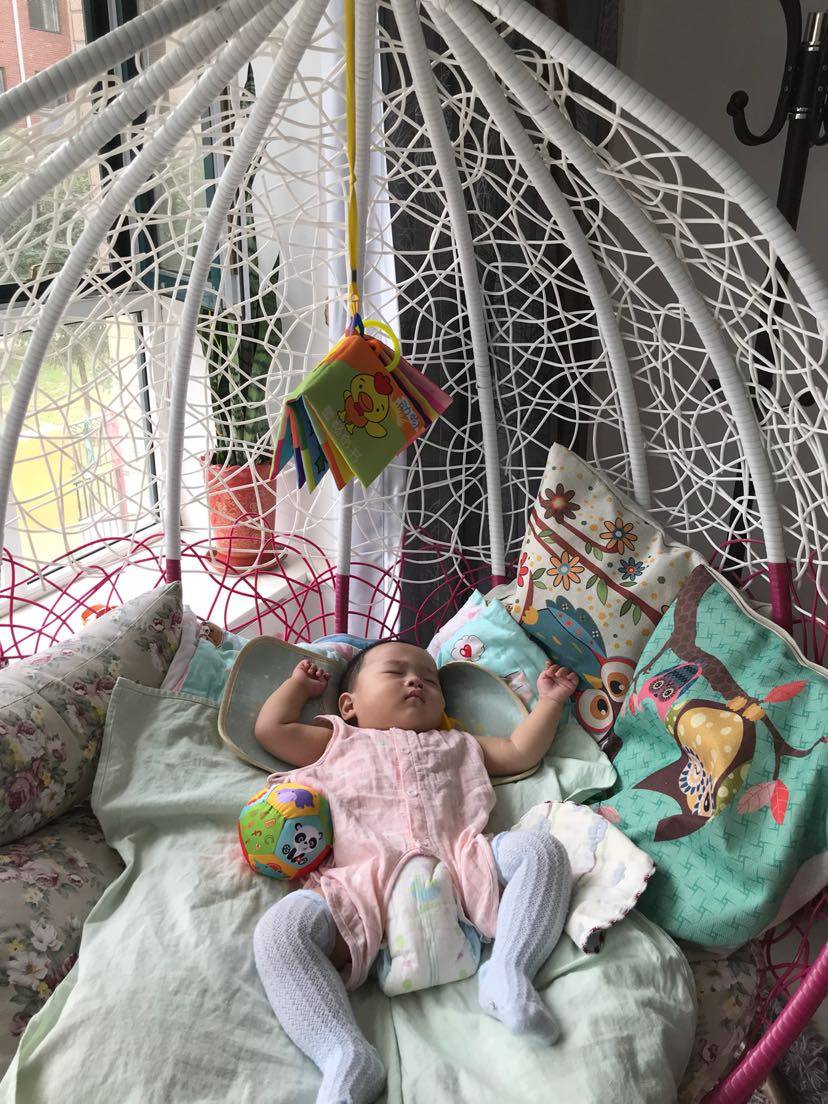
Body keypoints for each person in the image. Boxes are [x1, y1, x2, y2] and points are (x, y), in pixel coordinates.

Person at [253, 639, 576, 1104]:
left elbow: (520, 750)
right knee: (281, 931)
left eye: (429, 679)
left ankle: (509, 971)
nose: (416, 682)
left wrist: (550, 702)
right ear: (349, 706)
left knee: (541, 850)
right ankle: (343, 1052)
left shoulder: (460, 744)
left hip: (462, 869)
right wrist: (298, 686)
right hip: (363, 885)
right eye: (395, 672)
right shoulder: (338, 739)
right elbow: (272, 729)